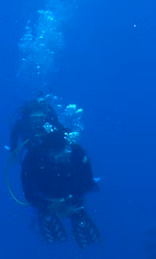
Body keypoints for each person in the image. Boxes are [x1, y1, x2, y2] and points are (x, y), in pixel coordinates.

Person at [8, 97, 100, 247]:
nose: (37, 122)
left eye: (40, 118)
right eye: (34, 119)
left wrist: (72, 200)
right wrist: (47, 204)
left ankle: (75, 211)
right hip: (43, 180)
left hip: (65, 186)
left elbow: (86, 179)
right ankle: (48, 211)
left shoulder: (73, 149)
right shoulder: (33, 156)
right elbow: (29, 189)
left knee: (68, 175)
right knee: (43, 179)